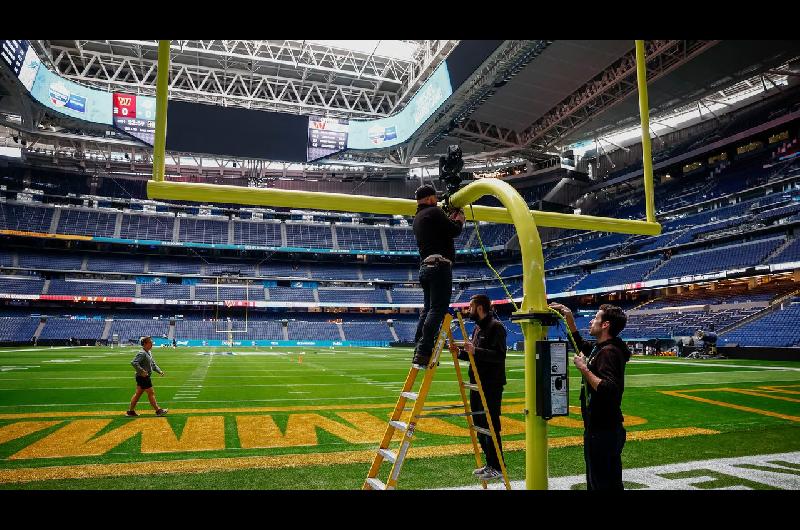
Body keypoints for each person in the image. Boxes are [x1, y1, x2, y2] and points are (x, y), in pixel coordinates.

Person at [549, 302, 631, 490]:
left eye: (596, 317)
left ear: (605, 325)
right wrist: (569, 319)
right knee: (603, 482)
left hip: (603, 432)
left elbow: (609, 389)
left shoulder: (609, 352)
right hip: (601, 429)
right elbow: (582, 346)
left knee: (601, 484)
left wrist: (584, 369)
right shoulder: (602, 347)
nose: (592, 320)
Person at [451, 294, 508, 481]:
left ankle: (498, 466)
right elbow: (474, 356)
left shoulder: (496, 327)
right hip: (476, 383)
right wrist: (460, 353)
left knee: (491, 424)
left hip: (491, 384)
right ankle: (489, 463)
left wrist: (476, 350)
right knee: (479, 425)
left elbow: (499, 356)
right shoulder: (477, 328)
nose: (468, 310)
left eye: (470, 307)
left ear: (481, 308)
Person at [411, 184, 465, 367]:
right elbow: (453, 231)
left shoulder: (418, 217)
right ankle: (425, 351)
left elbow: (440, 231)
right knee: (437, 309)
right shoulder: (434, 212)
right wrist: (459, 220)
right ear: (429, 199)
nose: (436, 200)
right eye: (434, 197)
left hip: (425, 267)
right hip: (439, 266)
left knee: (427, 310)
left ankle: (419, 350)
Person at [127, 336, 168, 417]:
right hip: (143, 377)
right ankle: (158, 410)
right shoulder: (142, 353)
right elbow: (134, 362)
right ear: (145, 344)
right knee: (151, 393)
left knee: (138, 394)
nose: (152, 344)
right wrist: (142, 371)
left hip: (143, 377)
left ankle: (130, 411)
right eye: (150, 342)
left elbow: (153, 364)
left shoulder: (148, 352)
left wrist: (159, 371)